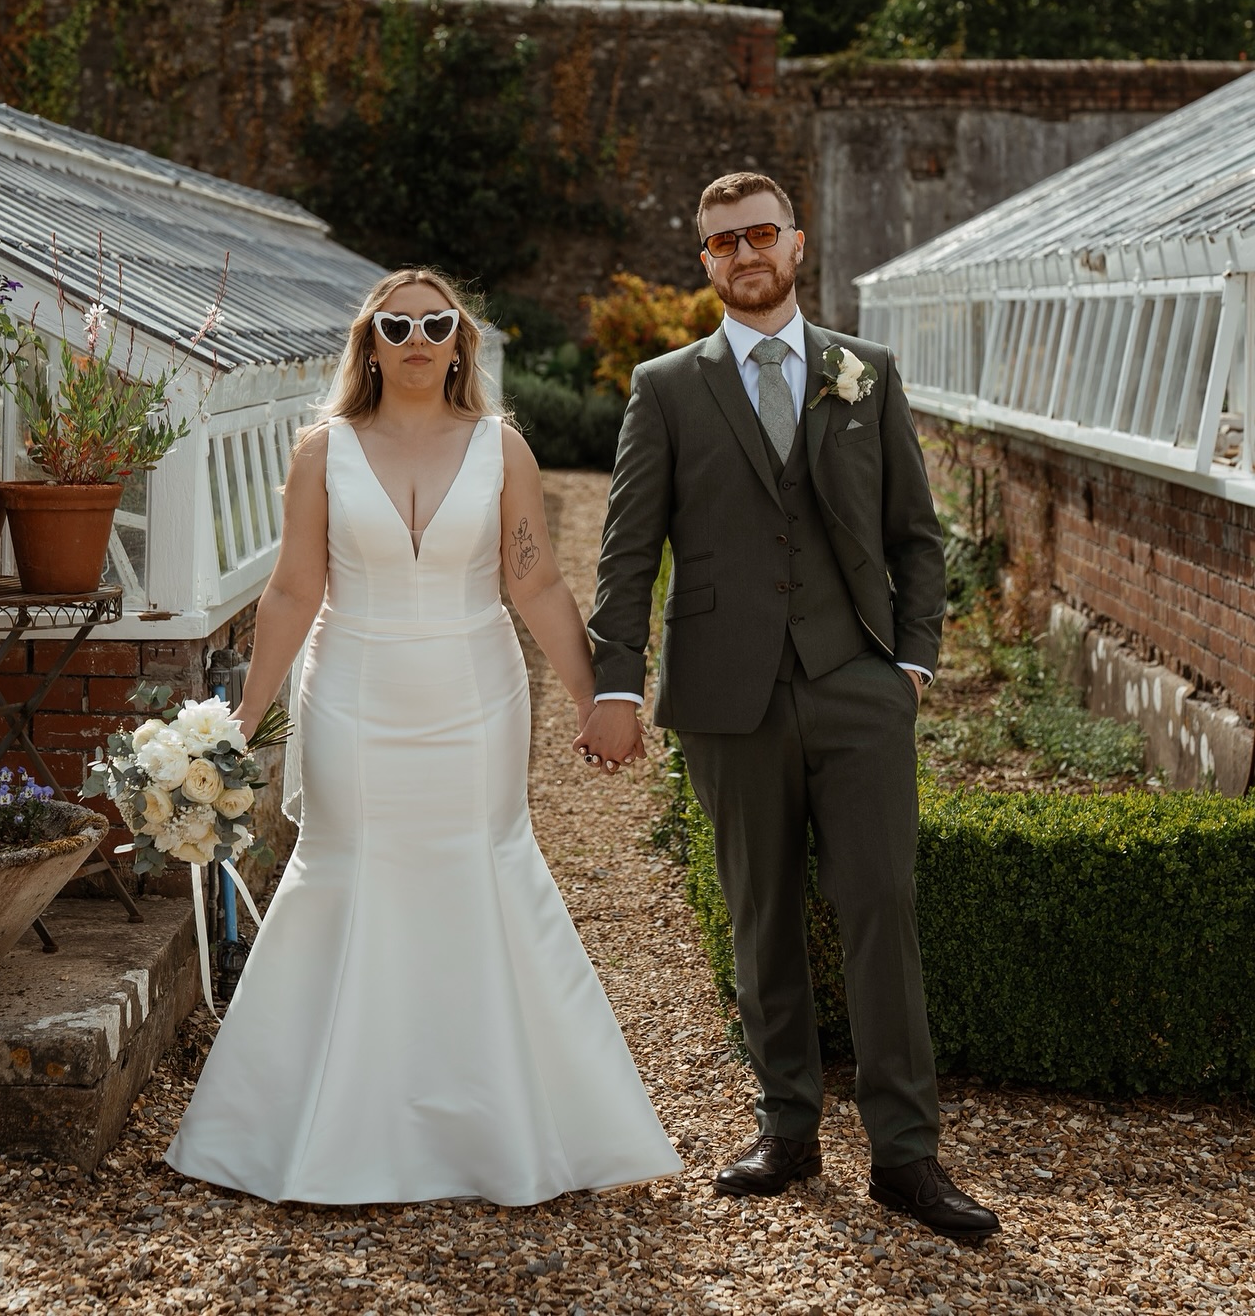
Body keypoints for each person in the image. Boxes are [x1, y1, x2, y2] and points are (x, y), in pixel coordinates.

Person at [166, 267, 680, 1206]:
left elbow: (536, 585)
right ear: (368, 342)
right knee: (343, 873)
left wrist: (601, 697)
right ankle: (316, 1129)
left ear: (459, 342)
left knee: (483, 871)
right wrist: (239, 722)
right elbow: (291, 591)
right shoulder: (322, 450)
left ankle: (499, 1128)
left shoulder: (502, 447)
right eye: (394, 326)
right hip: (351, 697)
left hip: (473, 698)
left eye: (434, 324)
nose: (415, 339)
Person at [578, 172, 1000, 1240]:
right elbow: (628, 551)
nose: (743, 253)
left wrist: (910, 666)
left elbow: (916, 534)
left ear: (797, 244)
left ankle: (907, 1156)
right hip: (727, 692)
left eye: (760, 233)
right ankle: (787, 1128)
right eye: (722, 241)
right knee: (761, 915)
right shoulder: (665, 386)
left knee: (881, 915)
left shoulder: (870, 372)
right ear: (706, 261)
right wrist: (617, 681)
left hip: (858, 682)